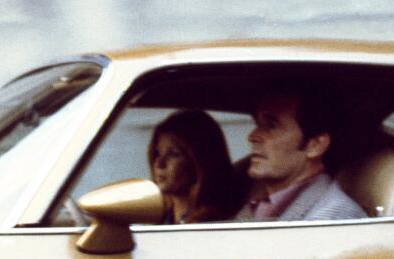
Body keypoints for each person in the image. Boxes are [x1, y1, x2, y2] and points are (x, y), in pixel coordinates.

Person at [234, 83, 366, 222]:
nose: (252, 136)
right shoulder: (261, 205)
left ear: (315, 145)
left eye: (271, 126)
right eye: (258, 124)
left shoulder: (330, 218)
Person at [148, 110, 239, 224]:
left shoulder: (219, 223)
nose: (159, 164)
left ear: (201, 161)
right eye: (157, 153)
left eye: (174, 154)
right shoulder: (158, 221)